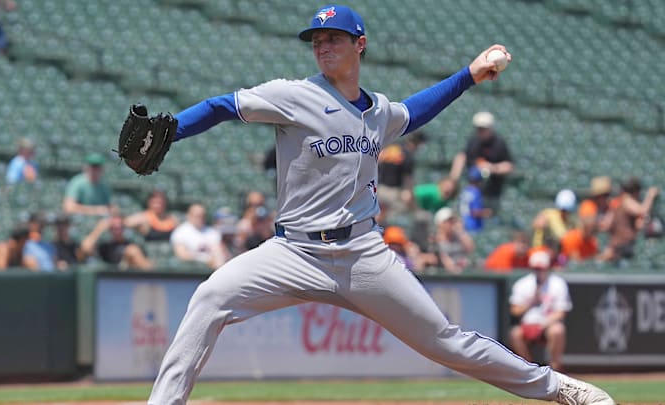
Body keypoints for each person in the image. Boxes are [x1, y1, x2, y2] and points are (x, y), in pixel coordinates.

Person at [146, 5, 613, 405]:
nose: (323, 46)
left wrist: (469, 76)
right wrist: (174, 128)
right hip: (292, 253)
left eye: (334, 38)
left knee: (445, 342)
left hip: (362, 256)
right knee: (210, 297)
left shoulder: (379, 113)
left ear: (360, 44)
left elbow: (416, 110)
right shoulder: (294, 95)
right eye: (317, 40)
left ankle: (559, 389)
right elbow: (220, 105)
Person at [509, 251, 572, 372]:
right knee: (515, 334)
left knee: (557, 330)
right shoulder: (523, 284)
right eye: (536, 269)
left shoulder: (557, 283)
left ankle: (554, 368)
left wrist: (545, 323)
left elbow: (562, 311)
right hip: (528, 322)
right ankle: (529, 369)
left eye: (542, 269)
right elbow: (515, 311)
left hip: (548, 322)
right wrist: (531, 302)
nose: (539, 272)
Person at [449, 111, 514, 214]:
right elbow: (462, 157)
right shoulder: (473, 141)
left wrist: (492, 168)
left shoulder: (499, 143)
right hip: (471, 190)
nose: (481, 131)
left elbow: (509, 166)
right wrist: (453, 178)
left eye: (484, 128)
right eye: (478, 128)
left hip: (491, 192)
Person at [599, 177, 659, 263]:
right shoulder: (627, 200)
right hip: (622, 245)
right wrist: (650, 196)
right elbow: (642, 210)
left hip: (619, 245)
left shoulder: (618, 202)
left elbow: (606, 225)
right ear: (636, 191)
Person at [377, 130, 427, 218]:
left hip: (377, 188)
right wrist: (412, 200)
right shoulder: (408, 156)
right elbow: (408, 181)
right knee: (405, 210)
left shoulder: (393, 147)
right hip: (391, 192)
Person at [80, 212, 153, 270]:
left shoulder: (132, 243)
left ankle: (153, 279)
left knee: (133, 250)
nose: (117, 229)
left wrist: (126, 222)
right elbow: (85, 248)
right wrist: (99, 229)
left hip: (133, 275)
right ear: (110, 228)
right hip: (113, 277)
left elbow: (144, 222)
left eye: (120, 226)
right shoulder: (105, 246)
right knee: (132, 250)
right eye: (114, 227)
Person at [170, 203, 227, 270]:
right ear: (188, 215)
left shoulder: (212, 232)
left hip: (213, 269)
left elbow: (220, 251)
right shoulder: (180, 232)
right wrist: (205, 259)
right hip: (190, 272)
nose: (200, 218)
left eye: (202, 215)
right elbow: (182, 255)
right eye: (197, 215)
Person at [433, 207, 475, 274]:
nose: (451, 223)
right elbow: (443, 259)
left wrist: (460, 231)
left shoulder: (458, 237)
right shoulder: (435, 240)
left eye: (453, 221)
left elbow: (470, 249)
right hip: (446, 275)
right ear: (440, 224)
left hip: (464, 270)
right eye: (448, 221)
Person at [459, 166, 492, 233]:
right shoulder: (476, 192)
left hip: (464, 223)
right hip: (473, 225)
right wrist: (486, 212)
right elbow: (474, 212)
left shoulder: (465, 190)